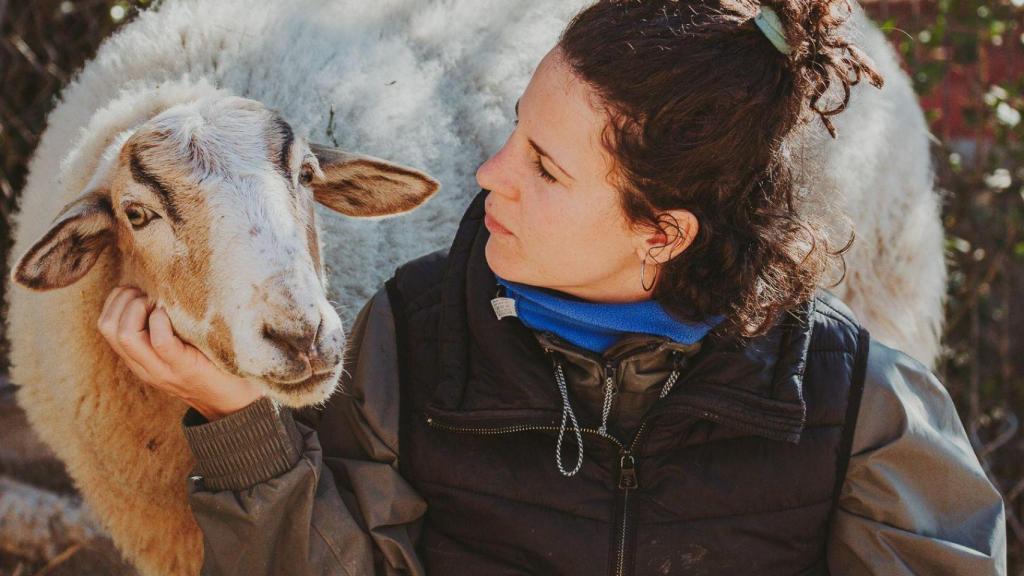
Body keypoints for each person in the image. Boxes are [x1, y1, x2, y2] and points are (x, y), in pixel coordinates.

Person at [97, 0, 1007, 574]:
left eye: (545, 165)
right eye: (513, 131)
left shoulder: (862, 408)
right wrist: (242, 430)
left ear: (663, 233)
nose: (488, 175)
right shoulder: (408, 342)